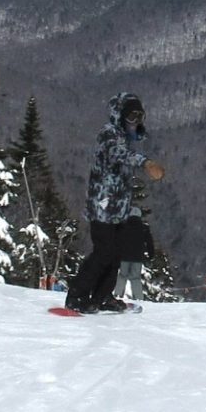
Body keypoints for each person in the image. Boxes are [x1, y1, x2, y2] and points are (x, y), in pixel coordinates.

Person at [65, 92, 165, 313]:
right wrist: (145, 162)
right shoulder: (108, 134)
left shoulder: (122, 136)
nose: (135, 122)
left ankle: (101, 297)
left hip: (118, 208)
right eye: (131, 116)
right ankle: (77, 296)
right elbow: (117, 155)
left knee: (116, 253)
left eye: (139, 117)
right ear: (119, 116)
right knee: (103, 252)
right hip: (102, 205)